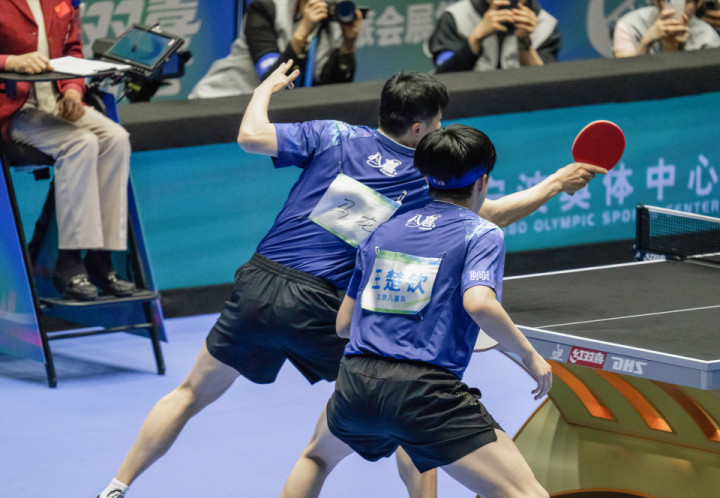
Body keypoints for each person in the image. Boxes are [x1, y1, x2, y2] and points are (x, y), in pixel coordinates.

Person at [96, 62, 603, 498]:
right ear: (419, 128)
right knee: (402, 398)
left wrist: (263, 89)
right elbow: (483, 214)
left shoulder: (334, 134)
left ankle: (117, 485)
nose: (440, 130)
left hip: (258, 281)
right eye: (437, 123)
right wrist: (555, 183)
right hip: (319, 302)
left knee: (191, 392)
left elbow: (250, 136)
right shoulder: (422, 177)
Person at [281, 124, 551, 498]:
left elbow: (344, 325)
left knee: (317, 457)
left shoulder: (381, 231)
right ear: (482, 182)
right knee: (525, 493)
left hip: (356, 382)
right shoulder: (481, 233)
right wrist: (530, 355)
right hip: (425, 394)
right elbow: (479, 304)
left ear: (426, 177)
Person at [0, 0, 136, 301]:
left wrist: (73, 91)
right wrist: (9, 61)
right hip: (14, 109)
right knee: (81, 143)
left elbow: (72, 51)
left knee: (115, 138)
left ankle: (101, 257)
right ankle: (69, 261)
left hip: (57, 104)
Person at [189, 0, 362, 99]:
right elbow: (270, 79)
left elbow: (331, 93)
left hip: (272, 114)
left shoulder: (333, 21)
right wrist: (302, 33)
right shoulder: (265, 8)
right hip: (222, 101)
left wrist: (348, 44)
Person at [427, 0, 560, 74]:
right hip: (467, 107)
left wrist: (524, 43)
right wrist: (474, 40)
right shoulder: (456, 17)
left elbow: (548, 86)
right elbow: (444, 77)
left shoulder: (546, 25)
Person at [612, 0, 720, 57]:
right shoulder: (629, 25)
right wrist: (645, 43)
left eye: (686, 1)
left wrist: (682, 51)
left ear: (698, 3)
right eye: (669, 0)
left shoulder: (708, 36)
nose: (677, 9)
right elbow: (623, 82)